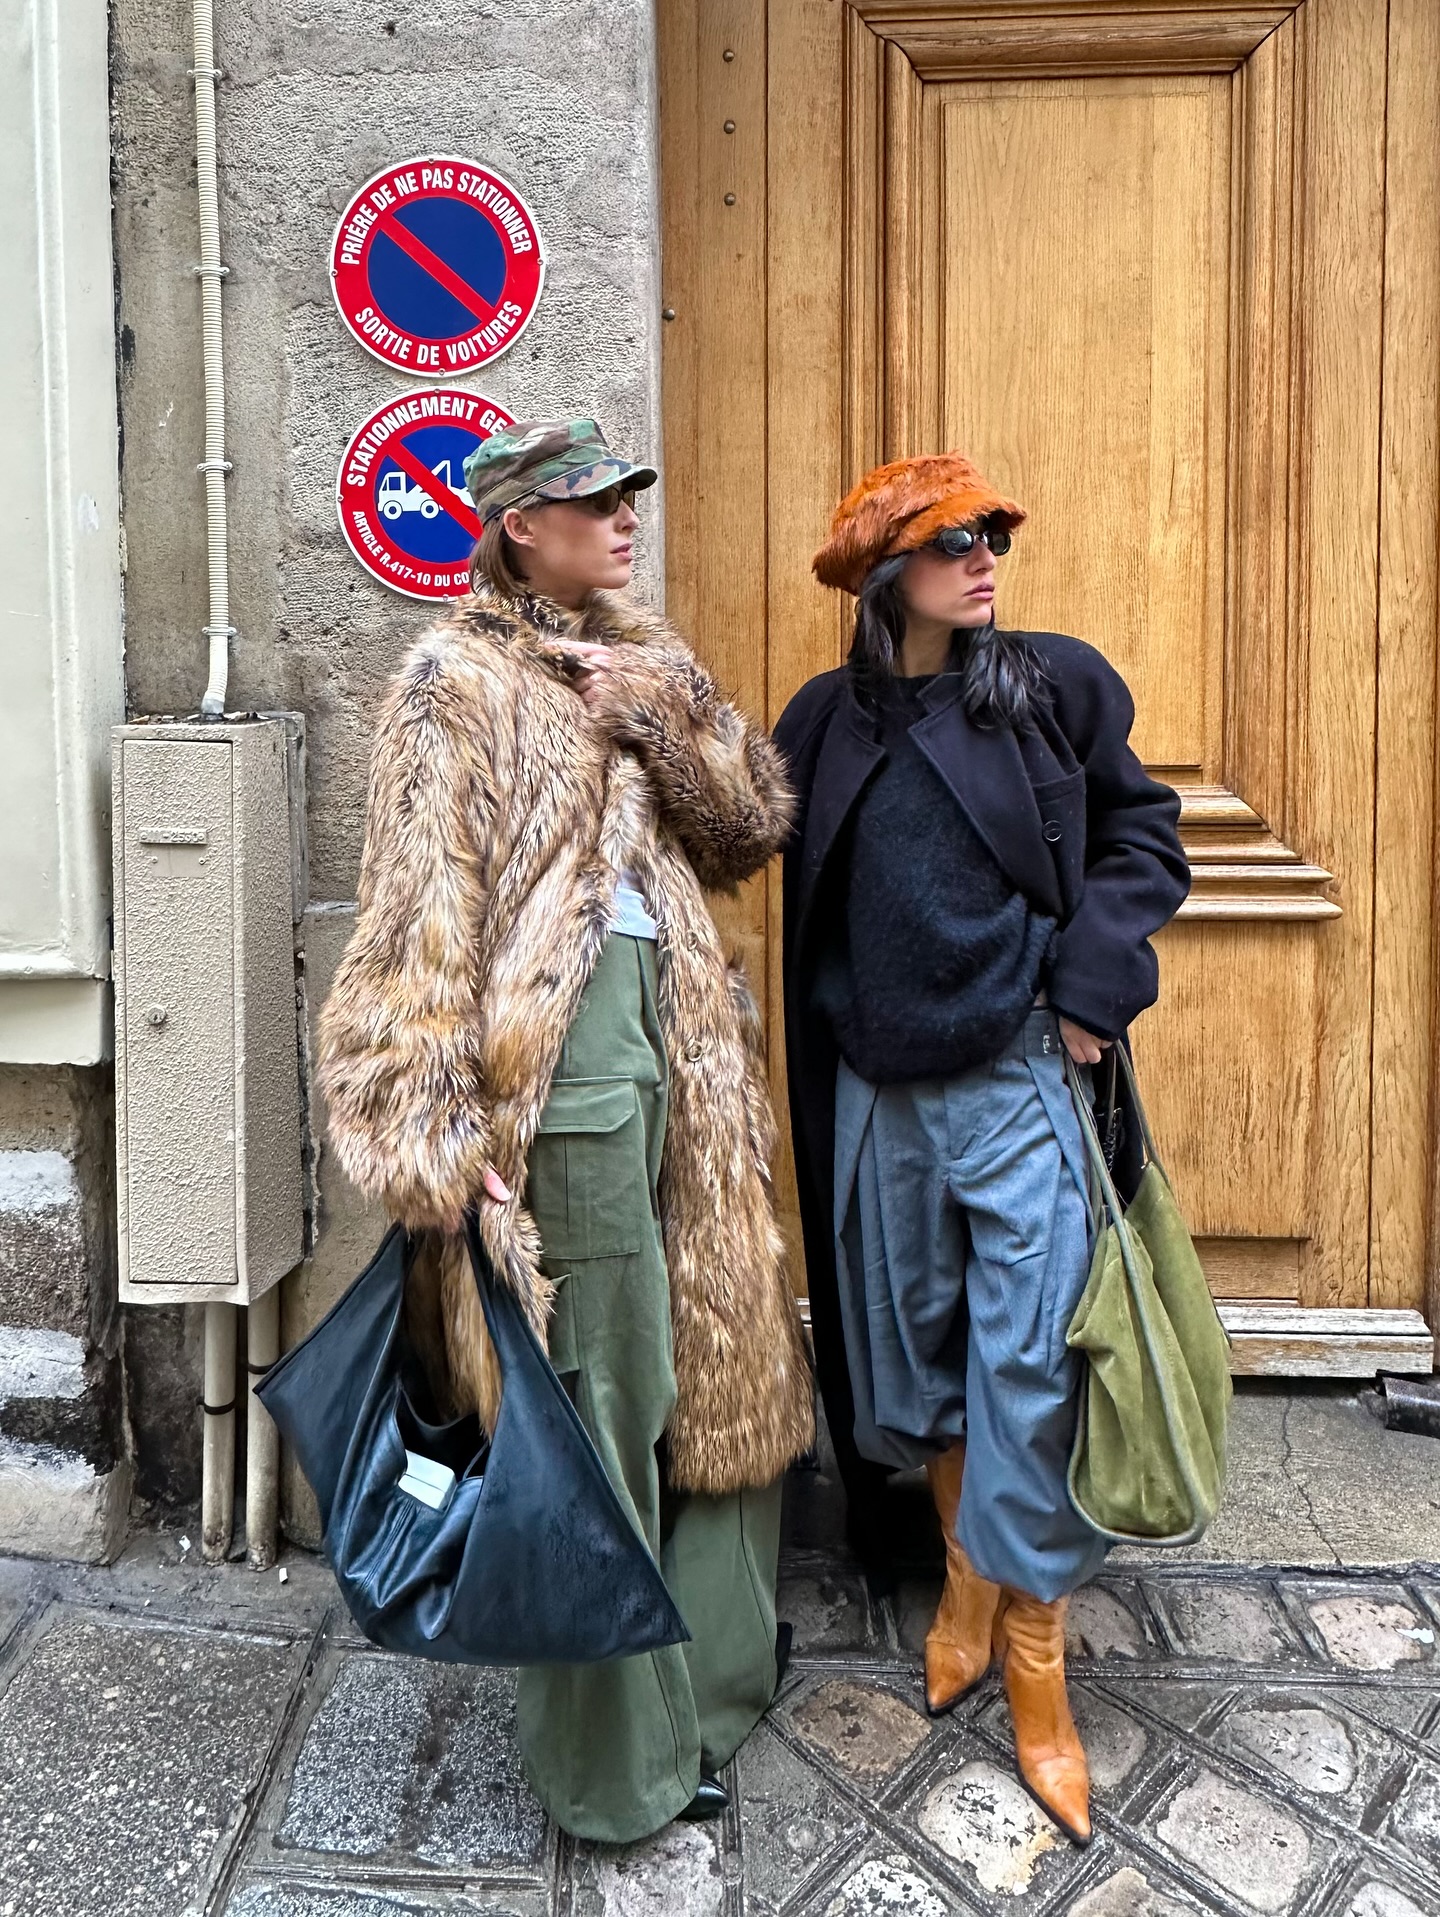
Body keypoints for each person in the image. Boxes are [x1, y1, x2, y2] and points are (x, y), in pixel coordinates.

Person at [318, 419, 813, 1843]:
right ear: (519, 525)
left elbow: (747, 827)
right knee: (602, 1390)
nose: (622, 521)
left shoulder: (642, 661)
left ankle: (714, 1687)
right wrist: (429, 1117)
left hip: (692, 1057)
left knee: (723, 1372)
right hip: (571, 1066)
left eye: (626, 498)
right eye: (593, 503)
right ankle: (619, 1770)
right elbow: (415, 917)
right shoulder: (449, 679)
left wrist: (652, 709)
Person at [773, 451, 1189, 1844]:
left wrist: (1088, 990)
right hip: (878, 1088)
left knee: (1033, 1356)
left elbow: (1145, 836)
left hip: (1016, 1073)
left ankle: (1035, 1658)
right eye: (956, 539)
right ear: (887, 572)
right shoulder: (825, 720)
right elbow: (746, 842)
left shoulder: (1053, 687)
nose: (988, 555)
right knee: (916, 1341)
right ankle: (961, 1577)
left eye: (996, 532)